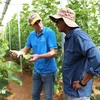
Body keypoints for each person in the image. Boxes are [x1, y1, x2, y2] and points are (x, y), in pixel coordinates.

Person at [49, 8, 100, 100]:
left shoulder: (78, 35)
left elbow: (97, 57)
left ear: (65, 21)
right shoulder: (70, 37)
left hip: (79, 95)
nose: (56, 24)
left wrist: (82, 83)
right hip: (74, 93)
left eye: (57, 21)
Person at [10, 13, 58, 100]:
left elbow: (54, 53)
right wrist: (19, 53)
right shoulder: (32, 35)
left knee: (48, 97)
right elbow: (25, 50)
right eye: (35, 23)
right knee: (35, 95)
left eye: (39, 21)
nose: (38, 24)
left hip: (49, 71)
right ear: (31, 25)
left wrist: (38, 56)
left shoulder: (49, 33)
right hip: (37, 71)